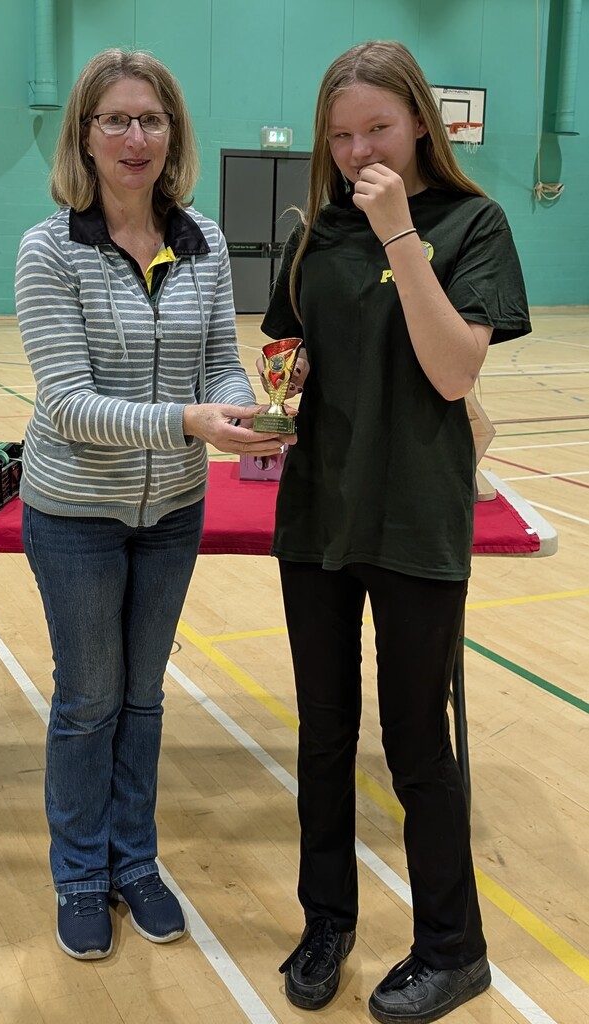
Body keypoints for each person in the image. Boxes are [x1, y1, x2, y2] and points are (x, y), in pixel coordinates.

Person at [259, 40, 531, 1021]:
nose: (356, 150)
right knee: (324, 735)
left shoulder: (471, 224)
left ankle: (453, 949)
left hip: (414, 516)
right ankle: (325, 920)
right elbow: (283, 347)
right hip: (317, 514)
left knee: (417, 744)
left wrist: (398, 235)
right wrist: (282, 377)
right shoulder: (313, 234)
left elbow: (453, 370)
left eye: (375, 127)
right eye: (339, 135)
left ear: (420, 121)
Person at [15, 48, 290, 961]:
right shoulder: (49, 249)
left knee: (142, 698)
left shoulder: (202, 240)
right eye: (115, 120)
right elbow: (68, 403)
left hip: (172, 510)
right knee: (89, 699)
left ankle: (134, 861)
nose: (135, 138)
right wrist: (187, 422)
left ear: (173, 133)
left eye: (152, 119)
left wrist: (242, 409)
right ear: (84, 136)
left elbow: (217, 359)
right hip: (76, 514)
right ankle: (78, 873)